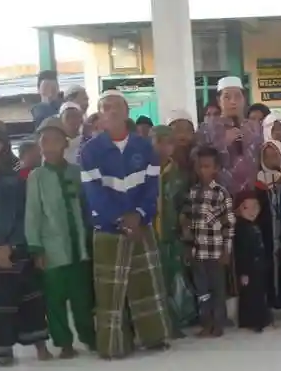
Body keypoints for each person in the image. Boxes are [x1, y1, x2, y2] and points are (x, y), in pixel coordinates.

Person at [79, 90, 170, 360]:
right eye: (105, 106)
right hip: (108, 228)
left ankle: (154, 338)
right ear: (99, 115)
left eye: (116, 105)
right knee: (110, 291)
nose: (111, 110)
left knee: (147, 284)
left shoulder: (144, 148)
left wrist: (139, 215)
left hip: (141, 225)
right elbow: (94, 193)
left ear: (127, 111)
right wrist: (120, 218)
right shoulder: (90, 151)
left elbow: (152, 187)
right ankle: (113, 346)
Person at [25, 117, 95, 359]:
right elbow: (32, 214)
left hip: (79, 248)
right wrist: (36, 249)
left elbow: (87, 208)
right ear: (39, 145)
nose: (50, 146)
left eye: (55, 140)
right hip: (52, 250)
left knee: (82, 297)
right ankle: (64, 343)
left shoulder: (76, 173)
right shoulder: (36, 177)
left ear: (65, 143)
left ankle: (90, 336)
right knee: (55, 301)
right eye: (44, 141)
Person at [0, 121, 51, 366]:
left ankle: (40, 345)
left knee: (30, 298)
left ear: (2, 146)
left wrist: (11, 246)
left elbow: (25, 214)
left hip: (17, 248)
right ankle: (3, 351)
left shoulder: (15, 181)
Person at [181, 146, 235, 337]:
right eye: (200, 167)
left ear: (216, 168)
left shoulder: (221, 194)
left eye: (207, 166)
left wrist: (226, 250)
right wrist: (188, 246)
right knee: (202, 291)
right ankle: (206, 323)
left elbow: (229, 224)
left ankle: (218, 323)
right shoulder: (192, 193)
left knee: (218, 289)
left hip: (216, 252)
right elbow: (187, 222)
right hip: (198, 252)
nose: (203, 170)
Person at [150, 125, 192, 338]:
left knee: (172, 279)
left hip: (171, 234)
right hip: (148, 235)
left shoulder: (178, 175)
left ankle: (173, 323)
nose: (162, 147)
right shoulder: (144, 172)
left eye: (168, 142)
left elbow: (185, 203)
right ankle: (154, 326)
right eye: (158, 141)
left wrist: (185, 228)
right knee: (152, 281)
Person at [195, 76, 263, 196]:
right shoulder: (207, 129)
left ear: (244, 99)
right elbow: (197, 162)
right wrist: (222, 145)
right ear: (219, 100)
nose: (233, 101)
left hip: (251, 197)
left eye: (237, 96)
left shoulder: (255, 128)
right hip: (218, 197)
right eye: (227, 97)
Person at [256, 141, 281, 316]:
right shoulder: (258, 180)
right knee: (268, 264)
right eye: (267, 156)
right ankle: (271, 299)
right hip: (267, 230)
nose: (271, 159)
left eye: (275, 155)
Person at [233, 190, 271, 332]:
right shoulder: (241, 228)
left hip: (258, 266)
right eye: (247, 208)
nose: (252, 211)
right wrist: (243, 272)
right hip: (249, 267)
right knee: (250, 294)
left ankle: (258, 319)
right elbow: (241, 252)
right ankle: (253, 320)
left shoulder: (254, 226)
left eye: (255, 207)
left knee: (258, 292)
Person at [166, 109, 196, 177]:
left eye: (187, 130)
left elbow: (211, 182)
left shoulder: (199, 162)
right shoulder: (163, 164)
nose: (183, 135)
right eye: (178, 130)